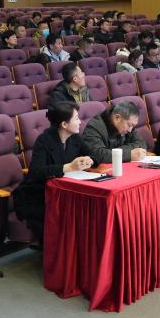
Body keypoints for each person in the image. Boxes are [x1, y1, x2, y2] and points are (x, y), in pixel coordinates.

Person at [13, 102, 94, 241]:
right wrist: (68, 167)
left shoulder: (74, 138)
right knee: (72, 213)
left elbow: (92, 155)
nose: (80, 122)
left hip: (64, 193)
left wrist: (89, 160)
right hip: (39, 196)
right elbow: (37, 172)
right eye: (76, 118)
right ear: (64, 124)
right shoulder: (44, 140)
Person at [82, 101, 148, 165]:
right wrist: (129, 154)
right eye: (129, 125)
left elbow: (141, 144)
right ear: (117, 117)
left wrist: (115, 152)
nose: (130, 130)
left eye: (133, 126)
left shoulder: (128, 127)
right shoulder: (94, 127)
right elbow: (98, 155)